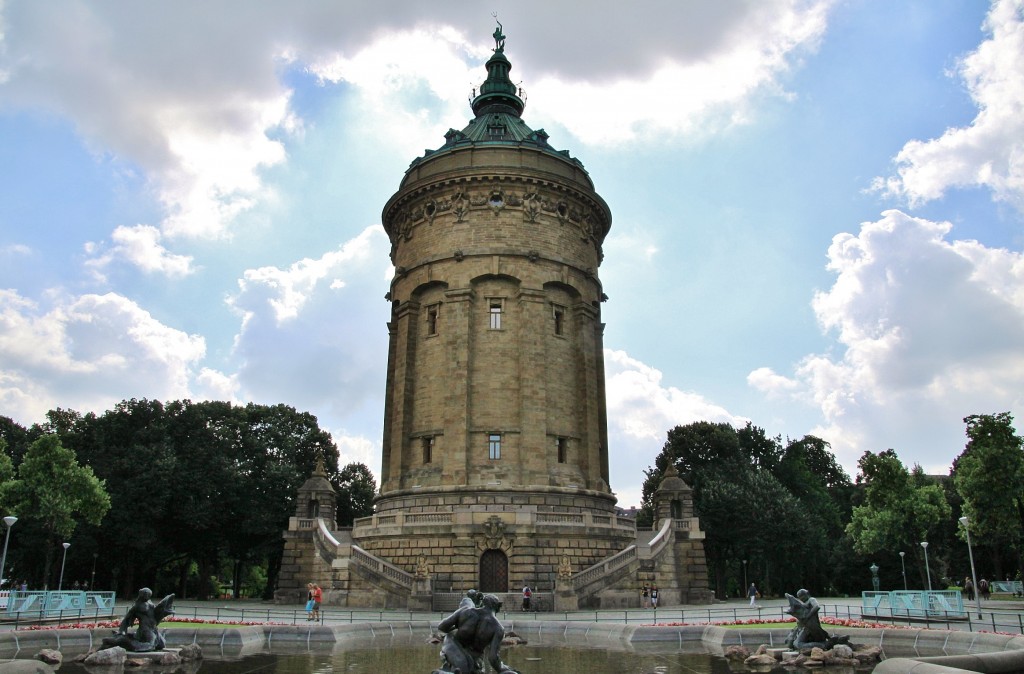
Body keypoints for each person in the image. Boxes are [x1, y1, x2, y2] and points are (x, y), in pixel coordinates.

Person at [433, 593, 519, 674]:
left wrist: (457, 627)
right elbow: (493, 658)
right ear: (497, 608)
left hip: (453, 648)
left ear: (482, 603)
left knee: (450, 639)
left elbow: (442, 627)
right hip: (475, 656)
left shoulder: (465, 611)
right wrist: (504, 669)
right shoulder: (498, 628)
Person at [100, 587, 175, 652]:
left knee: (161, 644)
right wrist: (122, 630)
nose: (148, 597)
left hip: (154, 628)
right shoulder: (137, 606)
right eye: (146, 595)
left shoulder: (149, 602)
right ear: (142, 595)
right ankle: (124, 641)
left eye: (149, 595)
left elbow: (155, 612)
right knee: (150, 646)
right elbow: (127, 618)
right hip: (145, 629)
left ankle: (130, 638)